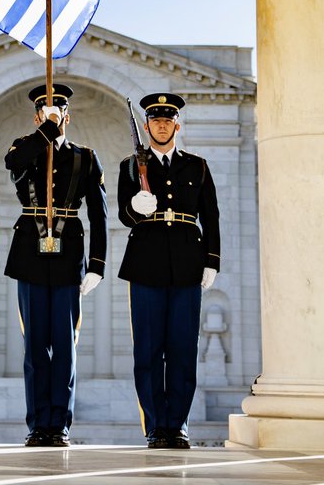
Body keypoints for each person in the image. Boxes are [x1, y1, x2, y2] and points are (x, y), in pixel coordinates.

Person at [4, 83, 107, 447]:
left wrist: (97, 264)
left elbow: (99, 212)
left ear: (68, 114)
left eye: (58, 111)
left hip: (68, 258)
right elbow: (13, 164)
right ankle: (37, 423)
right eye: (45, 111)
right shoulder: (24, 148)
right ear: (36, 117)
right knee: (34, 347)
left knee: (64, 345)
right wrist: (45, 132)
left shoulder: (84, 157)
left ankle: (59, 424)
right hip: (30, 256)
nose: (52, 115)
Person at [117, 92, 220, 449]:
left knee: (181, 350)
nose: (161, 125)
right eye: (155, 120)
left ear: (177, 124)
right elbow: (122, 215)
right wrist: (135, 206)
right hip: (145, 265)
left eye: (167, 119)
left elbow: (211, 216)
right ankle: (155, 425)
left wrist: (212, 260)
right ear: (146, 126)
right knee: (147, 350)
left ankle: (177, 424)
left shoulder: (197, 166)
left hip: (188, 264)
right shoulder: (131, 166)